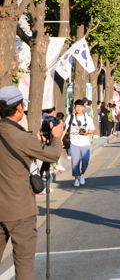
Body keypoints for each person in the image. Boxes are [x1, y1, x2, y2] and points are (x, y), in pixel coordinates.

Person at [0, 86, 64, 280]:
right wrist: (57, 138)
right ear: (19, 108)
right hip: (19, 211)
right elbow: (52, 154)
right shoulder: (22, 137)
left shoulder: (20, 137)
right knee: (24, 266)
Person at [67, 99, 96, 187]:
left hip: (84, 143)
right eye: (76, 106)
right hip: (74, 142)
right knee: (75, 162)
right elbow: (65, 129)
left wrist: (86, 132)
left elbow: (92, 129)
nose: (78, 108)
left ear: (83, 107)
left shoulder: (87, 118)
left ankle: (82, 174)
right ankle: (76, 179)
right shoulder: (70, 117)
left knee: (85, 160)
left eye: (80, 106)